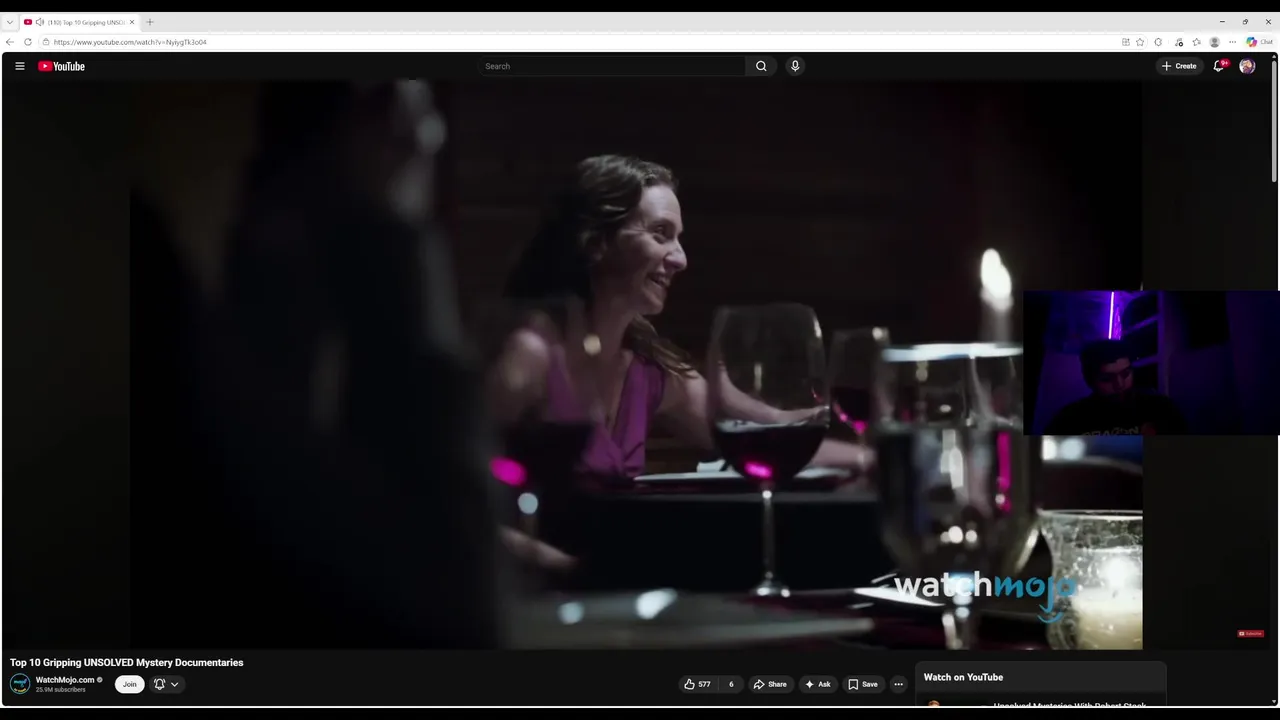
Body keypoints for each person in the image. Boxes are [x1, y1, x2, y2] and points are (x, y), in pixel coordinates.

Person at [134, 80, 506, 649]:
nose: (429, 136)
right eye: (386, 102)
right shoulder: (152, 294)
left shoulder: (231, 301)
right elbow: (455, 615)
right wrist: (391, 235)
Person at [498, 155, 873, 480]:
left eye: (677, 238)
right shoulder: (529, 354)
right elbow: (466, 505)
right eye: (660, 233)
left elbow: (769, 432)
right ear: (596, 242)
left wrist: (871, 457)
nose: (681, 259)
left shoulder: (648, 370)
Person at [1044, 339, 1187, 436]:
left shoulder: (1161, 408)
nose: (1120, 385)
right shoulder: (1068, 420)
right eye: (1107, 379)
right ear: (1090, 380)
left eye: (1125, 374)